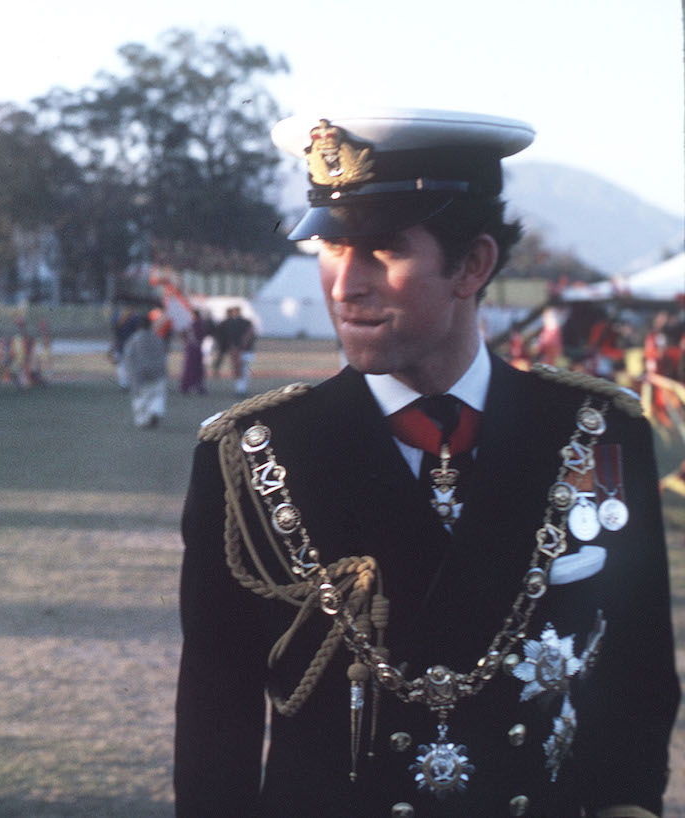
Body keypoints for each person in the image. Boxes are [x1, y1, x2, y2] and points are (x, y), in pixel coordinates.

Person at [174, 108, 678, 816]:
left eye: (381, 250)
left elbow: (636, 674)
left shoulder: (596, 432)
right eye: (329, 247)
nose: (345, 285)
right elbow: (214, 716)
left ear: (472, 265)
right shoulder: (252, 454)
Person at [122, 313, 168, 428]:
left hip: (139, 374)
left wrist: (129, 373)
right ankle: (155, 411)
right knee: (157, 395)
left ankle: (142, 420)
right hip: (156, 373)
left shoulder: (134, 339)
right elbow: (163, 356)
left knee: (140, 396)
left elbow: (128, 357)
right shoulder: (157, 338)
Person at [215, 305, 256, 395]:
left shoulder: (230, 324)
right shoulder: (247, 322)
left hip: (237, 351)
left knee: (239, 371)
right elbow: (252, 335)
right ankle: (242, 389)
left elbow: (227, 337)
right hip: (247, 351)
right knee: (244, 371)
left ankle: (240, 389)